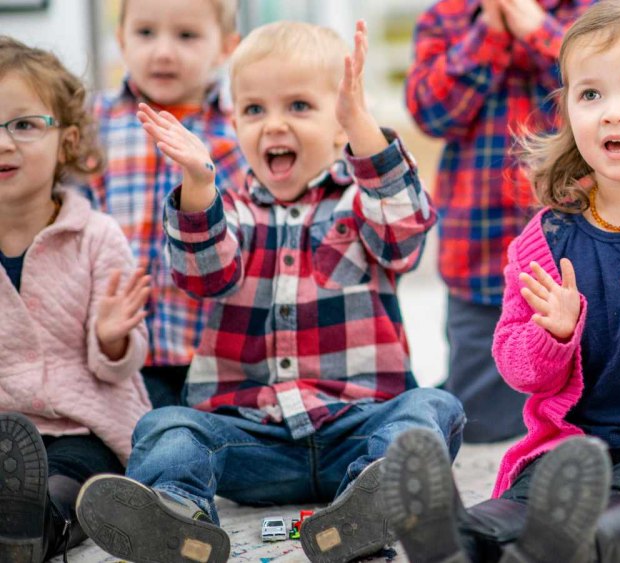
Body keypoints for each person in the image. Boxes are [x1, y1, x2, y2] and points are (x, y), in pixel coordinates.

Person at [385, 2, 620, 561]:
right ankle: (461, 538)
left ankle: (577, 546)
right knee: (535, 483)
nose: (613, 113)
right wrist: (553, 333)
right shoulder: (546, 237)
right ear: (567, 113)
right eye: (591, 95)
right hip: (577, 440)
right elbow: (518, 367)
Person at [74, 21, 464, 563]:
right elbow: (200, 273)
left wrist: (366, 134)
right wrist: (198, 184)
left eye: (299, 106)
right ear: (234, 124)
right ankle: (177, 516)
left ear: (339, 126)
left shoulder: (363, 203)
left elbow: (406, 236)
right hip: (250, 443)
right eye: (254, 110)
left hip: (356, 427)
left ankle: (375, 501)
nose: (273, 124)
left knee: (432, 406)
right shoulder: (227, 208)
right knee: (165, 424)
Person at [406, 0, 598, 442]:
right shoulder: (445, 20)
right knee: (481, 422)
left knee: (585, 407)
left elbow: (602, 88)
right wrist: (489, 34)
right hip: (478, 261)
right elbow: (432, 114)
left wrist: (539, 31)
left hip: (577, 254)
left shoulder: (592, 13)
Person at [0, 37, 152, 562]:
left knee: (76, 481)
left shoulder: (96, 236)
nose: (3, 143)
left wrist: (111, 339)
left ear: (66, 141)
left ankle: (40, 529)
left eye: (23, 124)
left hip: (83, 424)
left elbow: (121, 366)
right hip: (4, 433)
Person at [89, 0, 246, 408]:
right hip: (113, 346)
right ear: (121, 39)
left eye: (187, 36)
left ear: (226, 47)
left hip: (213, 353)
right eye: (145, 33)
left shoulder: (240, 129)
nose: (162, 52)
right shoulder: (94, 123)